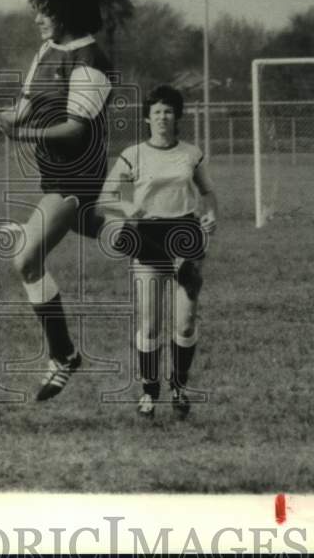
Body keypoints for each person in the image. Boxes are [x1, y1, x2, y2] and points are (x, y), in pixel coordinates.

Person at [0, 0, 111, 401]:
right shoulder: (46, 52)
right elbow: (19, 112)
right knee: (116, 230)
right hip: (55, 176)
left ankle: (63, 355)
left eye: (44, 11)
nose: (37, 19)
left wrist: (22, 134)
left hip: (80, 176)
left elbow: (76, 130)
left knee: (25, 259)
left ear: (66, 12)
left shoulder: (90, 61)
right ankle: (160, 241)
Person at [98, 85, 217, 418]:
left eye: (168, 111)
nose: (162, 117)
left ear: (177, 116)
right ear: (147, 118)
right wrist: (127, 206)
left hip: (186, 235)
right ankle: (150, 391)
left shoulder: (191, 153)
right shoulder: (134, 154)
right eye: (156, 112)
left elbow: (208, 192)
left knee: (186, 320)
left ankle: (179, 386)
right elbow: (105, 196)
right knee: (150, 324)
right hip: (148, 235)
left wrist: (212, 215)